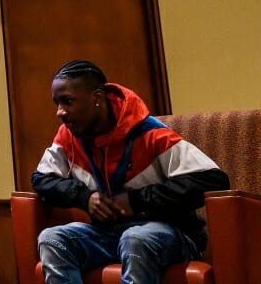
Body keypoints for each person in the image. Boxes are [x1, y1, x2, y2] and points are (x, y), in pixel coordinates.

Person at [32, 60, 230, 284]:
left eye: (68, 101)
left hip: (170, 232)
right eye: (56, 103)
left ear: (97, 98)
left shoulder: (151, 133)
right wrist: (84, 197)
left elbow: (213, 180)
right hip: (108, 233)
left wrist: (137, 201)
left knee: (135, 238)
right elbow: (41, 180)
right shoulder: (68, 136)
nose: (60, 112)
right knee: (52, 239)